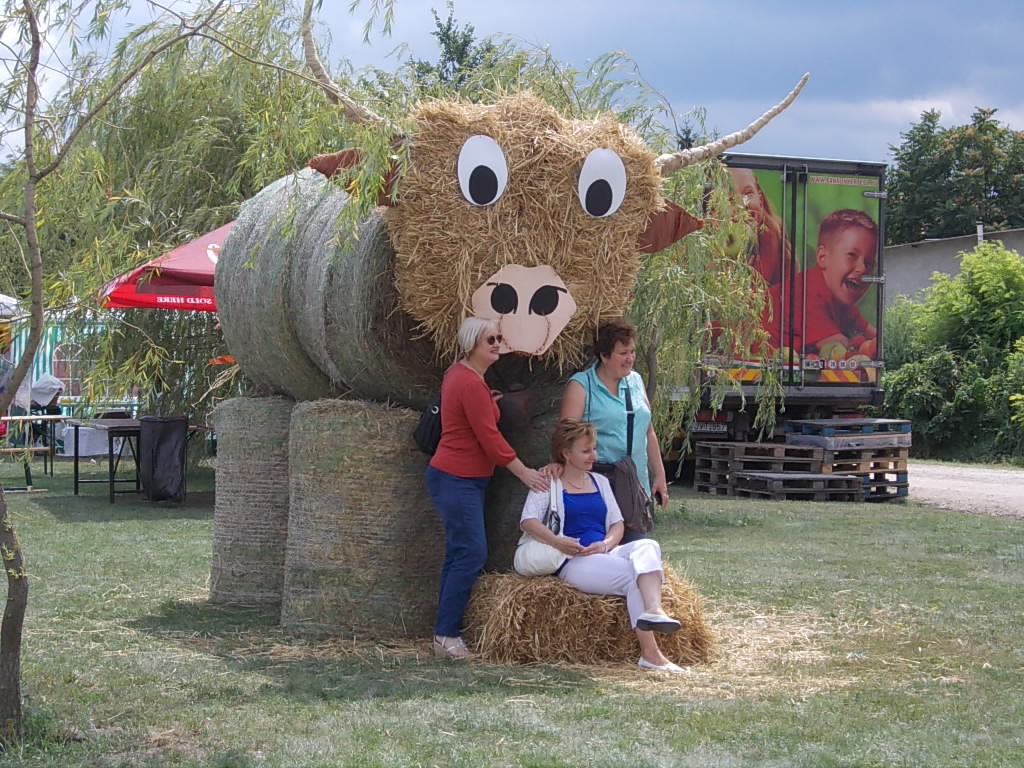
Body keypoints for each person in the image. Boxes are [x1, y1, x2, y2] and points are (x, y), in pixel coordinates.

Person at [427, 316, 549, 660]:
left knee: (460, 553)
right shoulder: (469, 383)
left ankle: (444, 632)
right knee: (471, 552)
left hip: (459, 477)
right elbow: (490, 440)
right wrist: (524, 472)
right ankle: (446, 634)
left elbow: (473, 419)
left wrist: (487, 403)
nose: (497, 344)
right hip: (457, 478)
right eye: (490, 340)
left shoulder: (462, 375)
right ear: (472, 345)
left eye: (498, 338)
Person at [519, 419, 684, 673]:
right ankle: (651, 655)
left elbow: (617, 524)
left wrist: (605, 545)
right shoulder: (549, 481)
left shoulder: (599, 481)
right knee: (633, 576)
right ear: (566, 453)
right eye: (586, 451)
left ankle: (654, 609)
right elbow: (528, 521)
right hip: (573, 560)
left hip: (605, 551)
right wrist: (558, 541)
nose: (593, 456)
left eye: (594, 449)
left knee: (648, 545)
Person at [559, 319, 668, 540]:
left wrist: (659, 476)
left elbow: (648, 432)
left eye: (632, 352)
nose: (630, 358)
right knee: (600, 550)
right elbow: (565, 436)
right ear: (604, 356)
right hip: (596, 484)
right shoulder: (581, 385)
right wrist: (560, 466)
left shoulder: (636, 381)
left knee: (637, 550)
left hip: (634, 485)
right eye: (623, 353)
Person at [763, 209, 878, 354]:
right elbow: (836, 347)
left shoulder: (841, 302)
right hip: (752, 359)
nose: (862, 268)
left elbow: (873, 334)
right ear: (822, 257)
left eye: (869, 263)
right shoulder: (806, 292)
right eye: (852, 255)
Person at [728, 167, 795, 288]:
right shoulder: (707, 253)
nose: (743, 204)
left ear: (760, 199)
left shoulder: (779, 251)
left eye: (748, 193)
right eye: (730, 198)